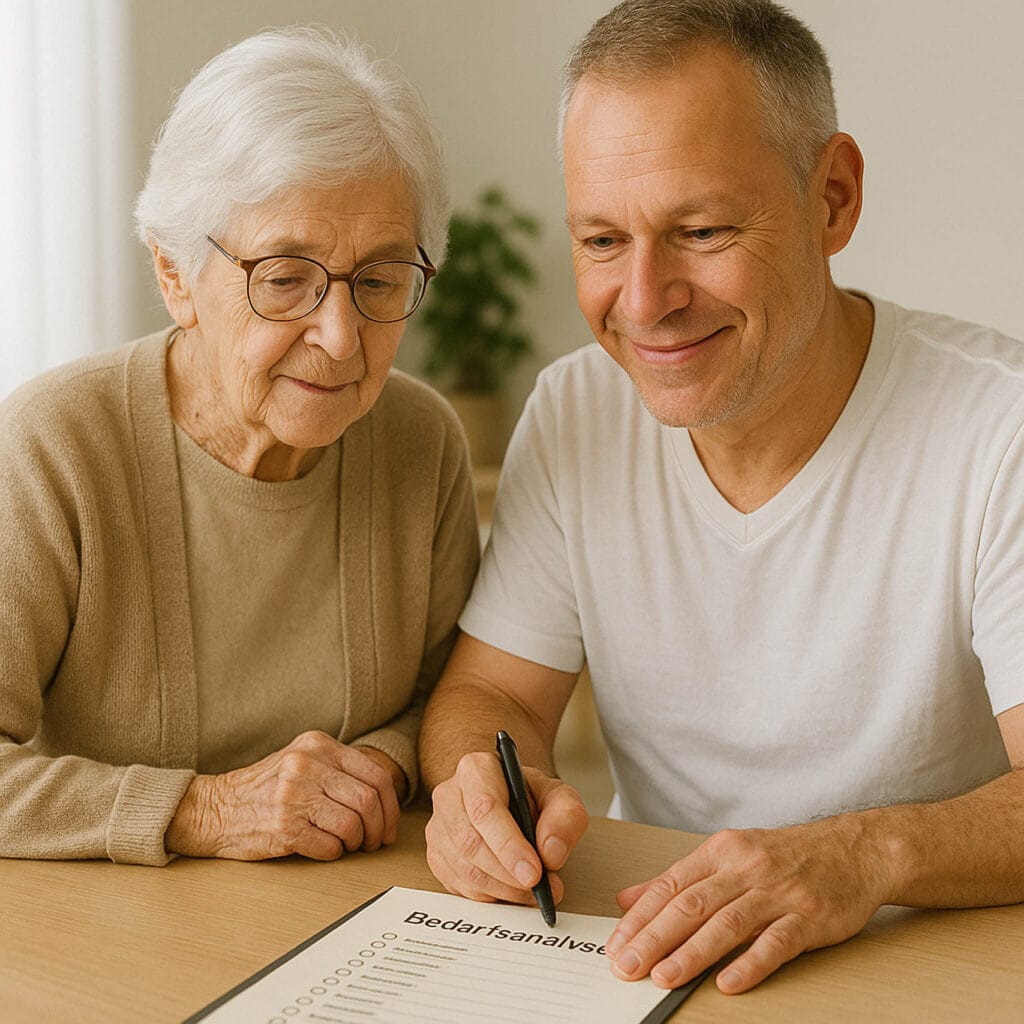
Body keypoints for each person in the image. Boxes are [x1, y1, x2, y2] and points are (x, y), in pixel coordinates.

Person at [420, 0, 1024, 998]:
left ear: (831, 197)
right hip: (654, 958)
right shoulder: (575, 413)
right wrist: (482, 791)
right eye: (603, 240)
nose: (646, 299)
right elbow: (489, 699)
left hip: (924, 967)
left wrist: (858, 856)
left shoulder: (997, 427)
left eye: (698, 230)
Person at [0, 27, 479, 866]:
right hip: (107, 941)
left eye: (378, 279)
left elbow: (447, 700)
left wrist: (370, 772)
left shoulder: (421, 441)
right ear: (175, 274)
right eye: (285, 277)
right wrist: (208, 810)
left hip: (346, 918)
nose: (339, 337)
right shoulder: (53, 447)